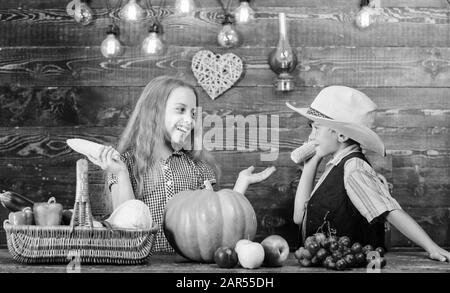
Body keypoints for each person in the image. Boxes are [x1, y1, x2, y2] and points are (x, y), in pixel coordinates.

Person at [87, 75, 276, 253]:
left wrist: (240, 186)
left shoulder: (198, 167)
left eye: (193, 113)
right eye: (180, 109)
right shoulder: (125, 164)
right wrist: (120, 174)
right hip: (143, 266)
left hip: (187, 266)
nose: (189, 120)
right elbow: (125, 227)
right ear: (154, 112)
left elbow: (217, 222)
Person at [287, 86, 450, 262]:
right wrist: (311, 165)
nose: (310, 137)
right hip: (325, 262)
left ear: (341, 135)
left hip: (354, 264)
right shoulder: (334, 165)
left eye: (316, 128)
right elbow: (299, 217)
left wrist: (431, 247)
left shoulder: (354, 168)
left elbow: (389, 210)